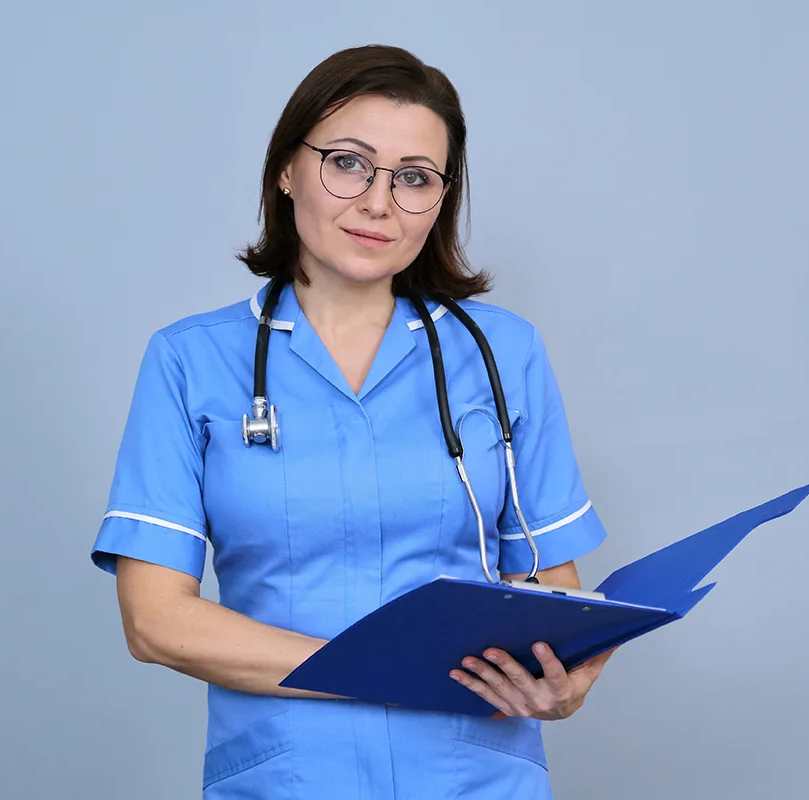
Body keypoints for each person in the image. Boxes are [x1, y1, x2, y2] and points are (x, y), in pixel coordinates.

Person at [90, 43, 615, 799]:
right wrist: (386, 667)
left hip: (476, 777)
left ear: (440, 200)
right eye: (348, 162)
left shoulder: (501, 353)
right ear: (285, 167)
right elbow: (156, 622)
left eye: (414, 179)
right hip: (289, 777)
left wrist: (564, 678)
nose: (378, 202)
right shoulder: (189, 363)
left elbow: (549, 586)